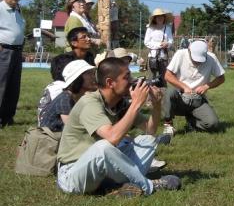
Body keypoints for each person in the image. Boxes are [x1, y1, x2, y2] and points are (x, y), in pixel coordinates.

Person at [56, 57, 181, 197]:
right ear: (110, 82)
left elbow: (150, 130)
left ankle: (119, 186)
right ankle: (150, 185)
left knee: (148, 140)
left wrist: (156, 105)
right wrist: (136, 104)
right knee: (103, 147)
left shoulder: (119, 102)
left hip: (97, 170)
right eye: (126, 77)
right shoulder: (89, 102)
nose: (133, 80)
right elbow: (112, 137)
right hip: (72, 173)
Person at [162, 40, 225, 133]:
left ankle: (192, 123)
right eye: (195, 59)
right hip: (179, 97)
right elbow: (167, 75)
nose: (197, 62)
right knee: (169, 92)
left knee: (213, 124)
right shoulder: (180, 54)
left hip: (198, 100)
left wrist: (207, 86)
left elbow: (221, 78)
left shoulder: (212, 58)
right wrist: (184, 87)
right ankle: (168, 124)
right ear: (189, 50)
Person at [40, 60, 97, 132]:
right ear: (78, 79)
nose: (93, 77)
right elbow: (72, 128)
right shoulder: (65, 98)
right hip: (50, 140)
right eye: (89, 73)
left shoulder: (78, 97)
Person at [0, 0, 25, 127]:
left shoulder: (17, 10)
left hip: (16, 51)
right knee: (1, 85)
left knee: (13, 86)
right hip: (4, 51)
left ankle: (8, 117)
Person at [144, 8, 174, 87]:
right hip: (153, 57)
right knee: (151, 78)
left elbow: (171, 41)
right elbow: (146, 42)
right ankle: (150, 97)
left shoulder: (167, 28)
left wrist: (167, 44)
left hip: (163, 57)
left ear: (164, 17)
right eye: (158, 16)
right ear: (155, 18)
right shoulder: (150, 28)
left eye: (161, 16)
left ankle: (163, 96)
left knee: (164, 78)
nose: (160, 18)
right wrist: (159, 45)